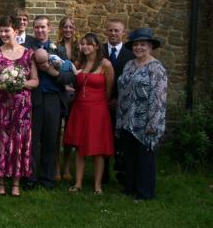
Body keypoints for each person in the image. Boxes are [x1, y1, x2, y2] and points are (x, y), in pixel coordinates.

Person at [0, 16, 39, 197]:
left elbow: (35, 81)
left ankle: (16, 182)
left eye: (6, 30)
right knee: (0, 140)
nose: (3, 34)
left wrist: (20, 83)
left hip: (22, 108)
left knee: (18, 141)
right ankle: (0, 181)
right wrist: (3, 85)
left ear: (16, 31)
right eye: (1, 31)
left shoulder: (28, 54)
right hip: (0, 107)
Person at [116, 28, 168, 201]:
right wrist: (121, 117)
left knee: (145, 159)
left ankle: (145, 193)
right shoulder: (129, 65)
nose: (139, 47)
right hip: (127, 119)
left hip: (145, 120)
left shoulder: (156, 68)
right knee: (129, 156)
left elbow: (159, 98)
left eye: (142, 44)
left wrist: (153, 123)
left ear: (150, 47)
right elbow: (123, 91)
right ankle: (130, 187)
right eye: (136, 44)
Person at [26, 15, 76, 189]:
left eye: (43, 27)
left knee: (50, 140)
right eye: (37, 27)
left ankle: (47, 178)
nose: (40, 30)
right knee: (32, 140)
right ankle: (30, 178)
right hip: (34, 99)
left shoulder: (59, 50)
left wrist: (51, 71)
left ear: (50, 28)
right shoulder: (27, 49)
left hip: (54, 99)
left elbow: (69, 76)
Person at [64, 33, 115, 195]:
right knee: (79, 147)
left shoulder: (106, 64)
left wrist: (99, 104)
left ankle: (97, 185)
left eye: (89, 44)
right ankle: (78, 183)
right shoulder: (79, 63)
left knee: (98, 148)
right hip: (80, 108)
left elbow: (109, 89)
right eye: (83, 44)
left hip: (98, 110)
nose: (85, 47)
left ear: (97, 46)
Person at [103, 18, 135, 184]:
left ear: (123, 33)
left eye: (117, 30)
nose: (113, 33)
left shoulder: (130, 55)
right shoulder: (99, 51)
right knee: (103, 138)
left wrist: (118, 99)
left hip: (123, 104)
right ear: (106, 32)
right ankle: (103, 174)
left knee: (121, 139)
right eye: (110, 30)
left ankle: (122, 173)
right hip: (101, 103)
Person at [56, 16, 80, 182]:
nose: (68, 30)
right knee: (57, 132)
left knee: (70, 133)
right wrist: (64, 85)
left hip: (77, 95)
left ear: (75, 29)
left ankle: (66, 167)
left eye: (71, 27)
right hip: (60, 92)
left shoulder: (81, 47)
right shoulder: (55, 47)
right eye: (65, 27)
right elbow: (53, 68)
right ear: (61, 29)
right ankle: (56, 167)